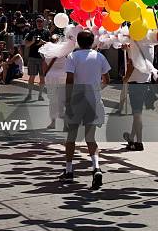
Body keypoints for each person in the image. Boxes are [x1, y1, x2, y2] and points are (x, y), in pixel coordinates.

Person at [60, 30, 110, 189]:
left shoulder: (72, 57)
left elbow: (69, 80)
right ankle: (96, 168)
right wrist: (96, 90)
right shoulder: (100, 56)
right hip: (93, 100)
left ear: (78, 42)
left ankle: (69, 171)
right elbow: (106, 79)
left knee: (71, 136)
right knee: (91, 137)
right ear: (92, 41)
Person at [122, 33, 158, 151]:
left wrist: (126, 78)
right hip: (145, 81)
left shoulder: (135, 43)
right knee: (137, 113)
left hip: (135, 81)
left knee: (137, 114)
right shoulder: (150, 44)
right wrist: (128, 49)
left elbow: (132, 64)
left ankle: (139, 142)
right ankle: (132, 139)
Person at [41, 35, 69, 129]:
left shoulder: (47, 53)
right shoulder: (64, 52)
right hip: (63, 77)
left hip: (51, 78)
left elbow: (44, 67)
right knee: (64, 101)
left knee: (53, 101)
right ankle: (65, 124)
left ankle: (53, 123)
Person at [24, 16, 50, 101]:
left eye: (41, 21)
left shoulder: (47, 32)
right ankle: (29, 94)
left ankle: (40, 95)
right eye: (37, 21)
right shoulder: (32, 32)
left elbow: (51, 44)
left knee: (42, 77)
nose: (39, 23)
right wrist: (33, 42)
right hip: (32, 57)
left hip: (43, 58)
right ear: (36, 23)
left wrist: (43, 42)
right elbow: (26, 44)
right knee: (32, 76)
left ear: (43, 22)